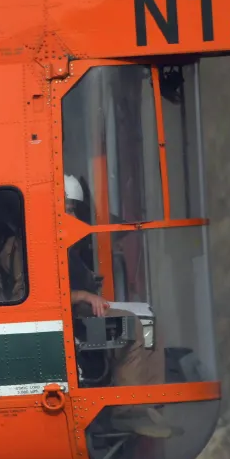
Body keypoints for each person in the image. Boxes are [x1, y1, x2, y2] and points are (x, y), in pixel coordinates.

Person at [65, 174, 180, 439]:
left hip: (82, 313)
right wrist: (82, 295)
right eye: (67, 208)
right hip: (68, 323)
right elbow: (40, 296)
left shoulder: (70, 247)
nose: (71, 215)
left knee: (149, 320)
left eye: (73, 209)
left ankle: (149, 406)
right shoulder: (38, 246)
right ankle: (127, 410)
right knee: (134, 327)